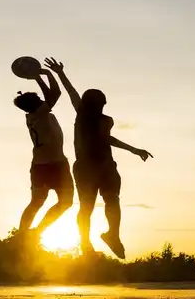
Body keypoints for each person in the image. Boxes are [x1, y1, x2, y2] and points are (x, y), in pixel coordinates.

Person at [44, 57, 151, 259]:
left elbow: (107, 138)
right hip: (90, 167)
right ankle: (88, 243)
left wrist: (133, 150)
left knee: (108, 201)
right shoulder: (84, 115)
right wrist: (60, 74)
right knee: (92, 205)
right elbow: (72, 94)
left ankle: (109, 236)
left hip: (104, 166)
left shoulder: (101, 119)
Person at [13, 66, 73, 241]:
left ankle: (25, 234)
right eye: (39, 98)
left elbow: (48, 97)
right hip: (55, 165)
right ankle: (30, 233)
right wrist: (46, 74)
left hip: (41, 165)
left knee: (38, 202)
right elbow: (55, 94)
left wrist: (36, 78)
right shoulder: (39, 113)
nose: (42, 98)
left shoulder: (34, 115)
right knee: (64, 203)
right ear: (36, 104)